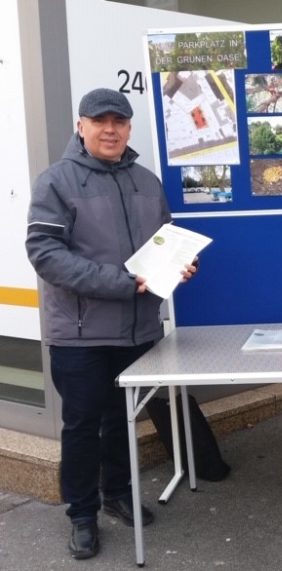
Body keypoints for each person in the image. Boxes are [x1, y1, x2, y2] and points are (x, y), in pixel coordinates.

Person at [26, 88, 197, 559]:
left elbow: (165, 241)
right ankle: (81, 515)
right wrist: (122, 281)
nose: (109, 129)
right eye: (99, 121)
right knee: (82, 426)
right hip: (80, 334)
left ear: (128, 128)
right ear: (80, 126)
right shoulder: (56, 182)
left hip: (138, 330)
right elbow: (46, 255)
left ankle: (117, 493)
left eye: (118, 121)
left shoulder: (146, 181)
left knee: (123, 421)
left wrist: (180, 264)